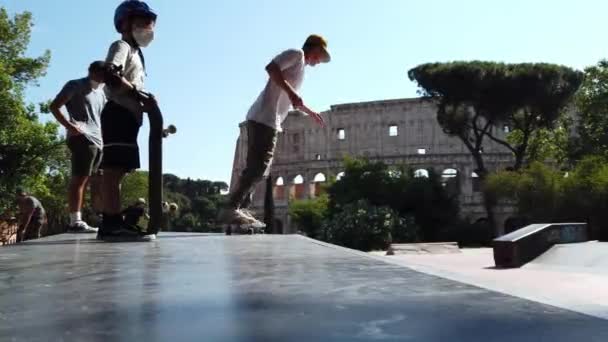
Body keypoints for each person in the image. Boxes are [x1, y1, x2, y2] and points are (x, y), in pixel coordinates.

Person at [217, 34, 331, 229]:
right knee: (259, 167)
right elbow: (271, 68)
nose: (319, 62)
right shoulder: (297, 54)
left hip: (268, 119)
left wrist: (309, 112)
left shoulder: (301, 67)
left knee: (260, 168)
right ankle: (231, 207)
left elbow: (292, 100)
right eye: (320, 56)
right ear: (315, 49)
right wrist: (292, 92)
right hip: (264, 118)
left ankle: (240, 207)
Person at [98, 0, 158, 242]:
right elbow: (110, 74)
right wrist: (138, 95)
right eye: (142, 21)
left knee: (120, 171)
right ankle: (111, 224)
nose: (148, 27)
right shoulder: (121, 45)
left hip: (129, 117)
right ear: (125, 23)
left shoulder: (137, 53)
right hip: (118, 113)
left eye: (150, 23)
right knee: (112, 171)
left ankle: (114, 220)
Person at [50, 61, 108, 233]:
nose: (102, 77)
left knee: (91, 181)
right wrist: (69, 126)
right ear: (91, 71)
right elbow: (54, 106)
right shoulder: (75, 85)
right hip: (82, 137)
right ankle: (74, 221)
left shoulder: (102, 93)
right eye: (100, 72)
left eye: (105, 74)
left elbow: (99, 118)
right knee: (79, 179)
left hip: (98, 141)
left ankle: (84, 220)